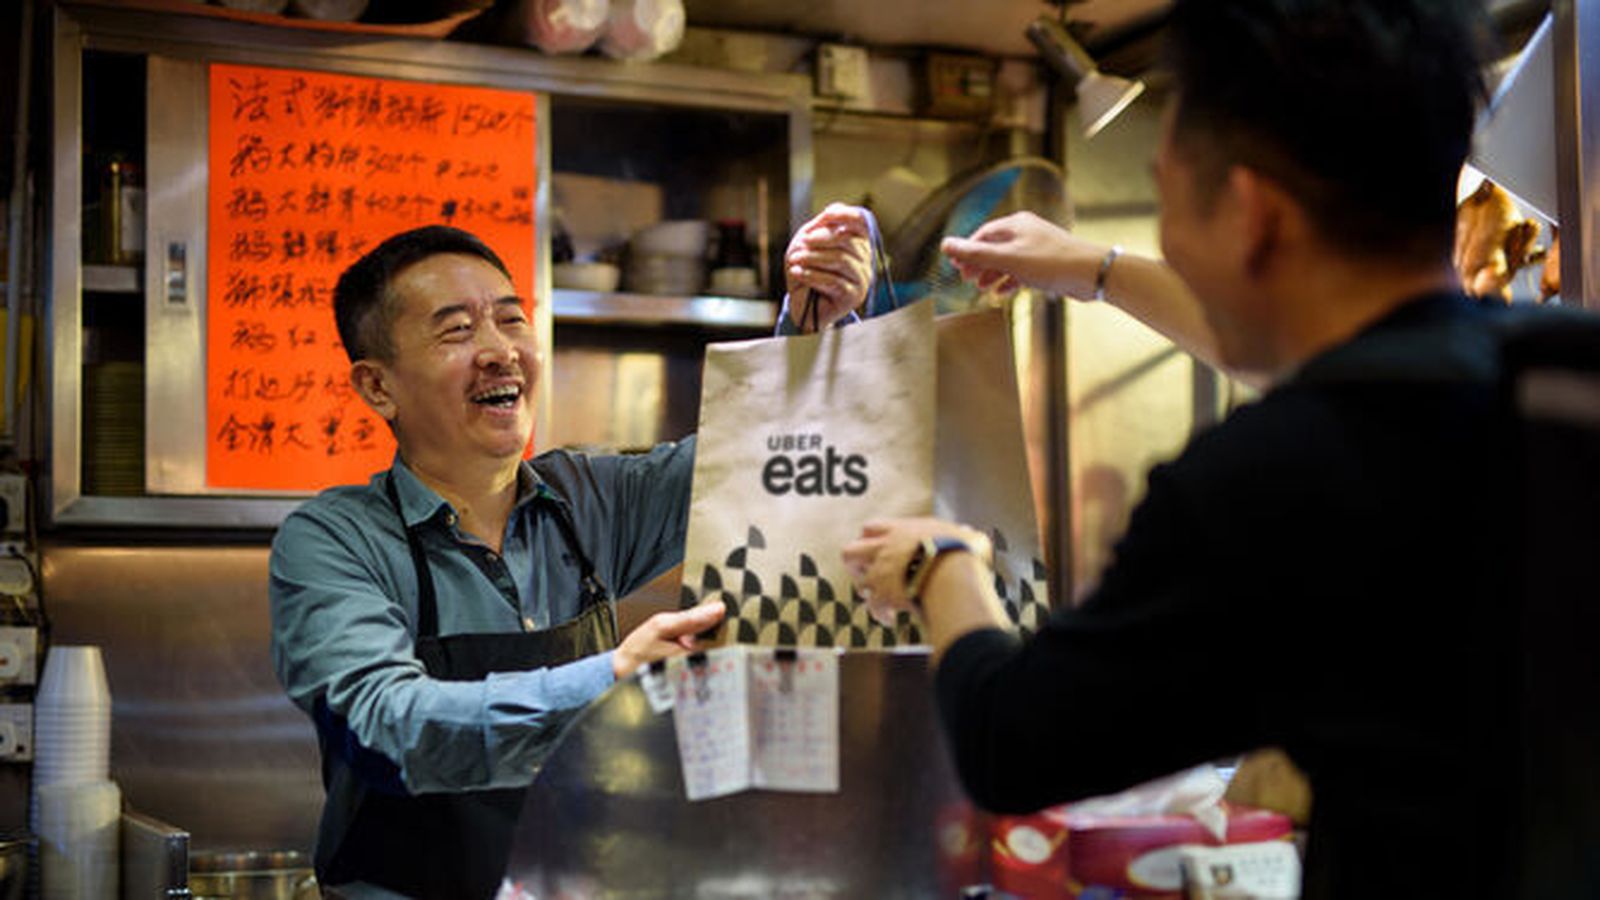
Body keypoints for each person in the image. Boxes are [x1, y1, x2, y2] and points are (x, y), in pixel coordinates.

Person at [844, 1, 1535, 895]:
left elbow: (1011, 744)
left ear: (1249, 212)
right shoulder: (1547, 377)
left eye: (1167, 200)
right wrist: (1095, 269)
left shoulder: (1268, 481)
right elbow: (1339, 371)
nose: (1165, 238)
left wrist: (944, 563)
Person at [270, 208, 873, 899]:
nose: (499, 349)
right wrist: (611, 679)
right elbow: (383, 725)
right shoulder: (334, 540)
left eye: (510, 318)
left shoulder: (592, 498)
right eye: (458, 330)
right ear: (378, 386)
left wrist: (813, 324)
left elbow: (758, 455)